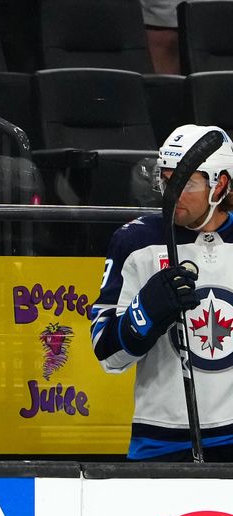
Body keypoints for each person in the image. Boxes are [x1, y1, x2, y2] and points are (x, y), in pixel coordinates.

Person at [91, 124, 233, 461]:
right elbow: (107, 355)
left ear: (221, 184)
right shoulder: (136, 241)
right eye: (167, 181)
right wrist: (145, 314)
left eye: (186, 183)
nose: (172, 193)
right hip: (161, 442)